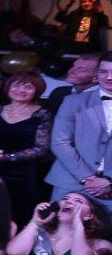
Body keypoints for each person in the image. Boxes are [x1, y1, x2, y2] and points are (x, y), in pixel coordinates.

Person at [0, 71, 53, 226]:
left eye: (28, 87)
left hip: (20, 176)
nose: (21, 90)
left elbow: (41, 149)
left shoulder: (42, 114)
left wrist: (4, 157)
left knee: (14, 218)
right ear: (8, 87)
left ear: (37, 91)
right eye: (16, 85)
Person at [46, 53, 112, 216]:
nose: (109, 77)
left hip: (110, 190)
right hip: (70, 183)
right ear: (97, 75)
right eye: (103, 71)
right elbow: (60, 142)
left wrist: (109, 179)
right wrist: (87, 177)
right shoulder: (73, 102)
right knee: (57, 230)